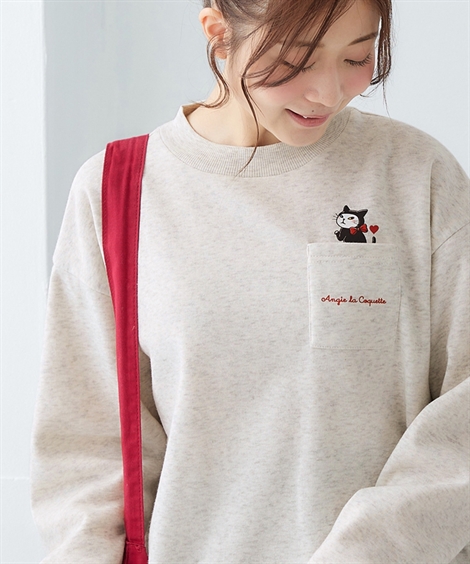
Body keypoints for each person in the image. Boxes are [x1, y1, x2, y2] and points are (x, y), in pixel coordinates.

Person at [31, 0, 469, 562]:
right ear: (218, 33)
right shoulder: (117, 193)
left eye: (357, 57)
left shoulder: (416, 174)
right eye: (297, 61)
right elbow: (87, 449)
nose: (328, 92)